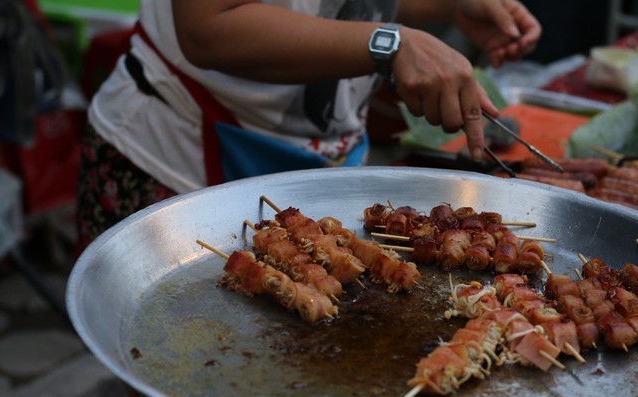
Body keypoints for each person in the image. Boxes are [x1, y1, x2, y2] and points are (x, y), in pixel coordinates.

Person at [76, 0, 541, 252]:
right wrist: (390, 45)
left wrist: (452, 4)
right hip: (177, 159)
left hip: (322, 154)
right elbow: (207, 27)